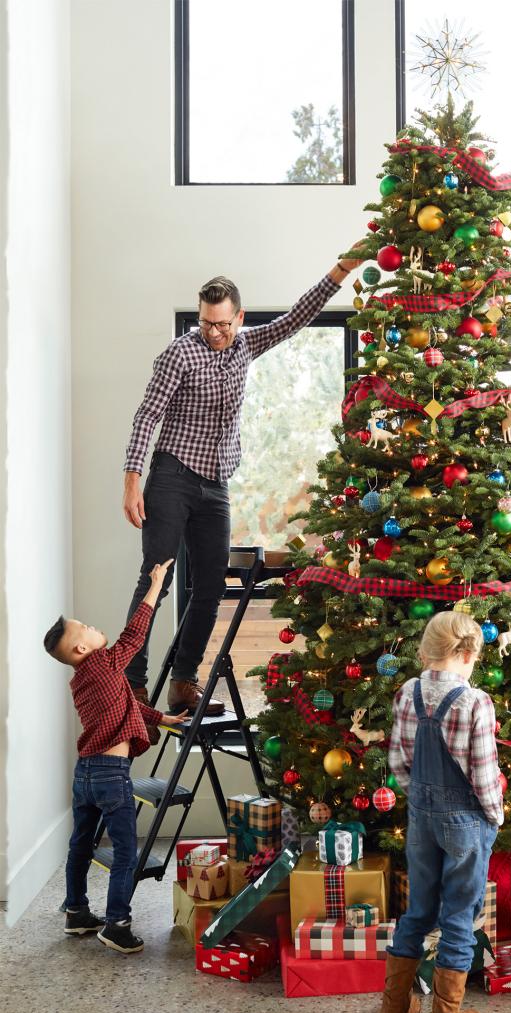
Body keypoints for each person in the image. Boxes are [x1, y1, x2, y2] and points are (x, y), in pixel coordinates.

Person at [121, 251, 364, 716]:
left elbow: (295, 319)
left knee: (211, 584)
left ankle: (183, 682)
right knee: (157, 576)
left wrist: (342, 270)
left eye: (223, 324)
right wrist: (132, 480)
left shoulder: (246, 346)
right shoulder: (179, 354)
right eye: (207, 323)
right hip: (171, 475)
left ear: (239, 317)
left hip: (215, 485)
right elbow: (147, 414)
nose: (214, 332)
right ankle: (132, 681)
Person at [43, 560, 188, 954]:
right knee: (126, 850)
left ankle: (76, 912)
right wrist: (155, 586)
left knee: (80, 844)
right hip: (110, 773)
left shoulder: (85, 680)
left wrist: (162, 717)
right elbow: (135, 634)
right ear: (81, 648)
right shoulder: (104, 663)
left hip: (85, 774)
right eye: (85, 627)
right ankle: (117, 924)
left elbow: (123, 704)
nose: (92, 626)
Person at [378, 612, 503, 1013]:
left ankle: (393, 1010)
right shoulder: (475, 702)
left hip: (420, 816)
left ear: (426, 651)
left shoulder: (406, 693)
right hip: (466, 820)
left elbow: (398, 762)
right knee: (458, 915)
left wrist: (421, 800)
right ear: (468, 654)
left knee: (418, 909)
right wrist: (495, 815)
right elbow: (484, 776)